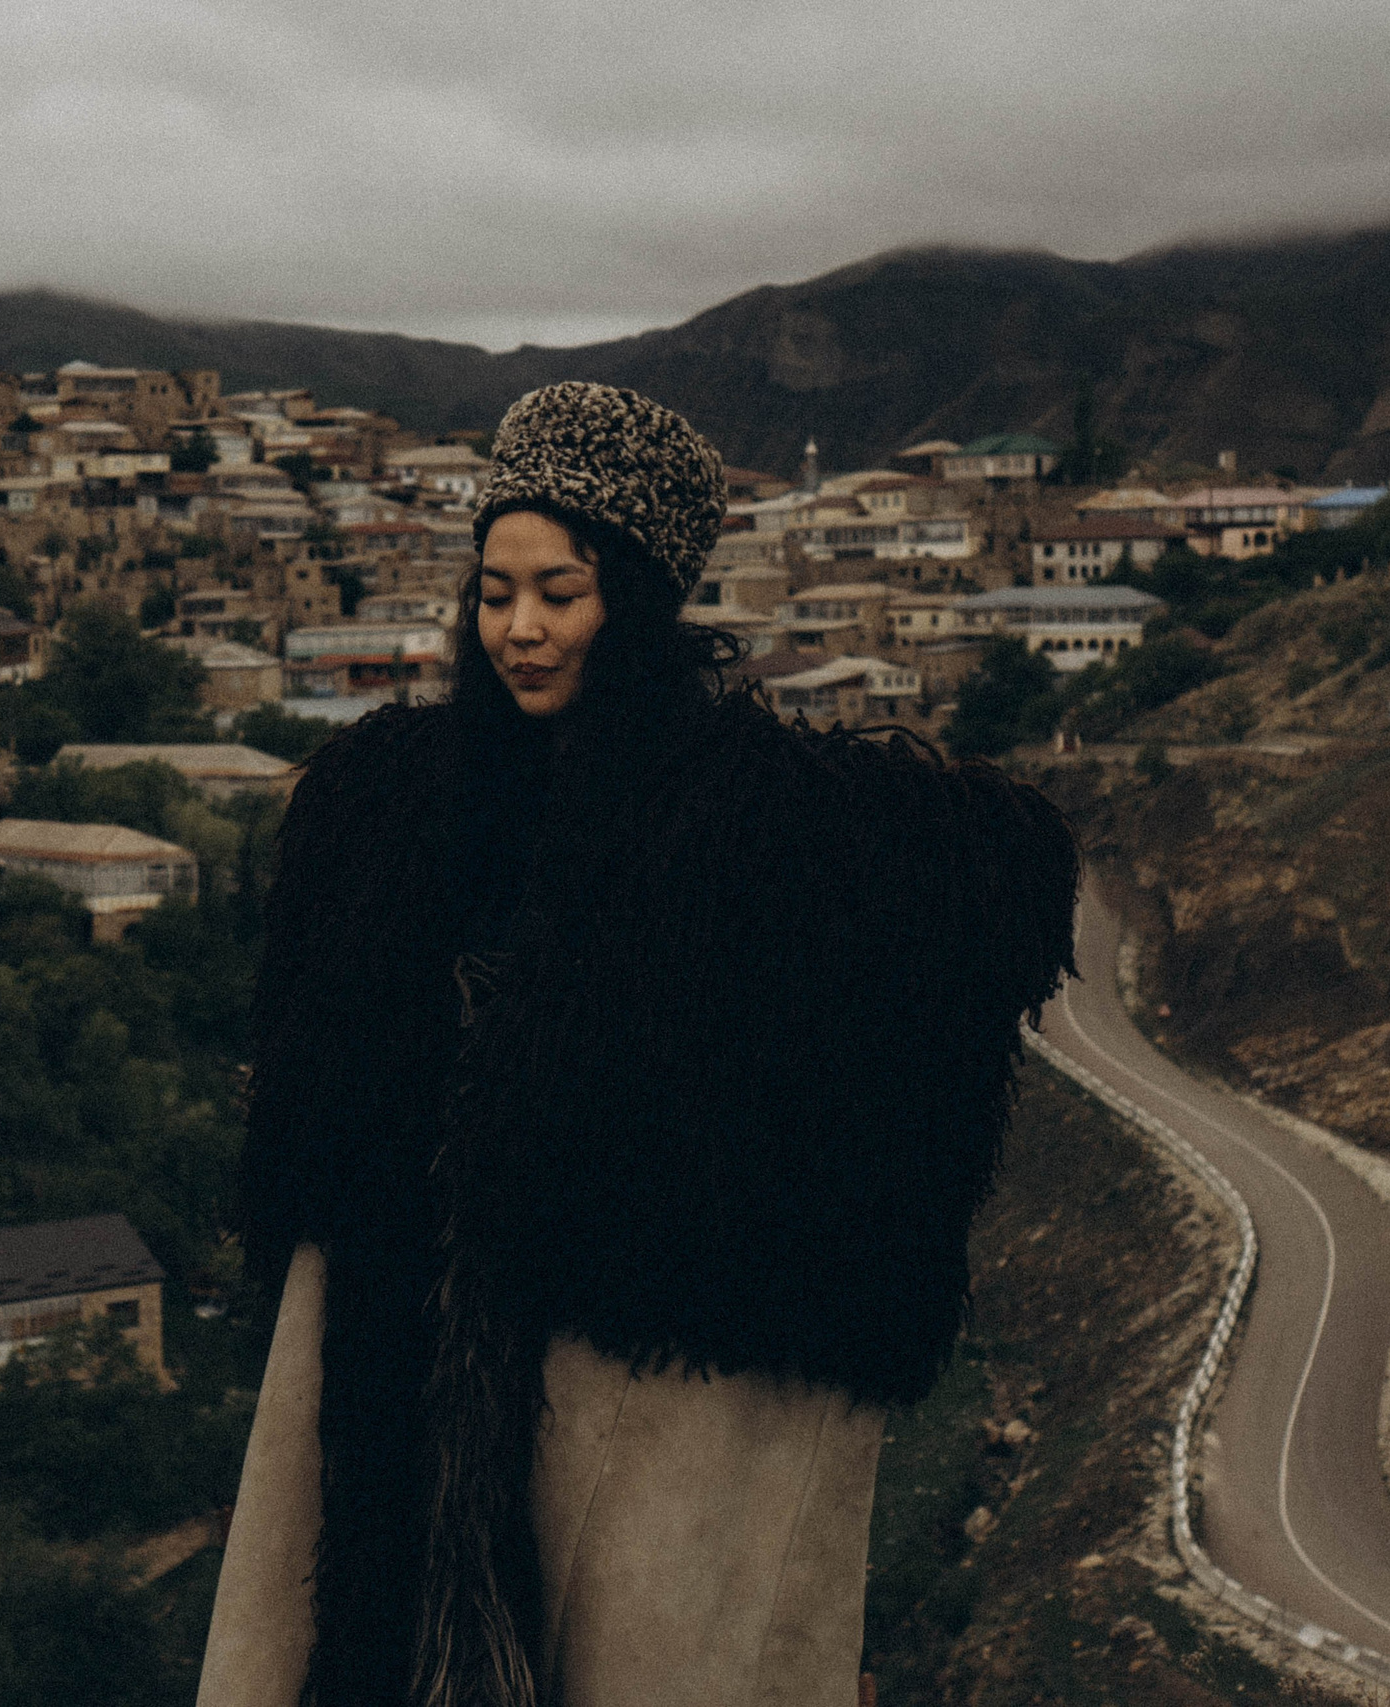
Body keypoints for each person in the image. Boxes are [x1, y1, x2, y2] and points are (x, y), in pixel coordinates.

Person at [199, 382, 1078, 1707]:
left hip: (599, 1362)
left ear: (644, 597)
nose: (521, 629)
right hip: (392, 1347)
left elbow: (976, 900)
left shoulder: (739, 817)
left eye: (561, 591)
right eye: (495, 592)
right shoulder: (394, 805)